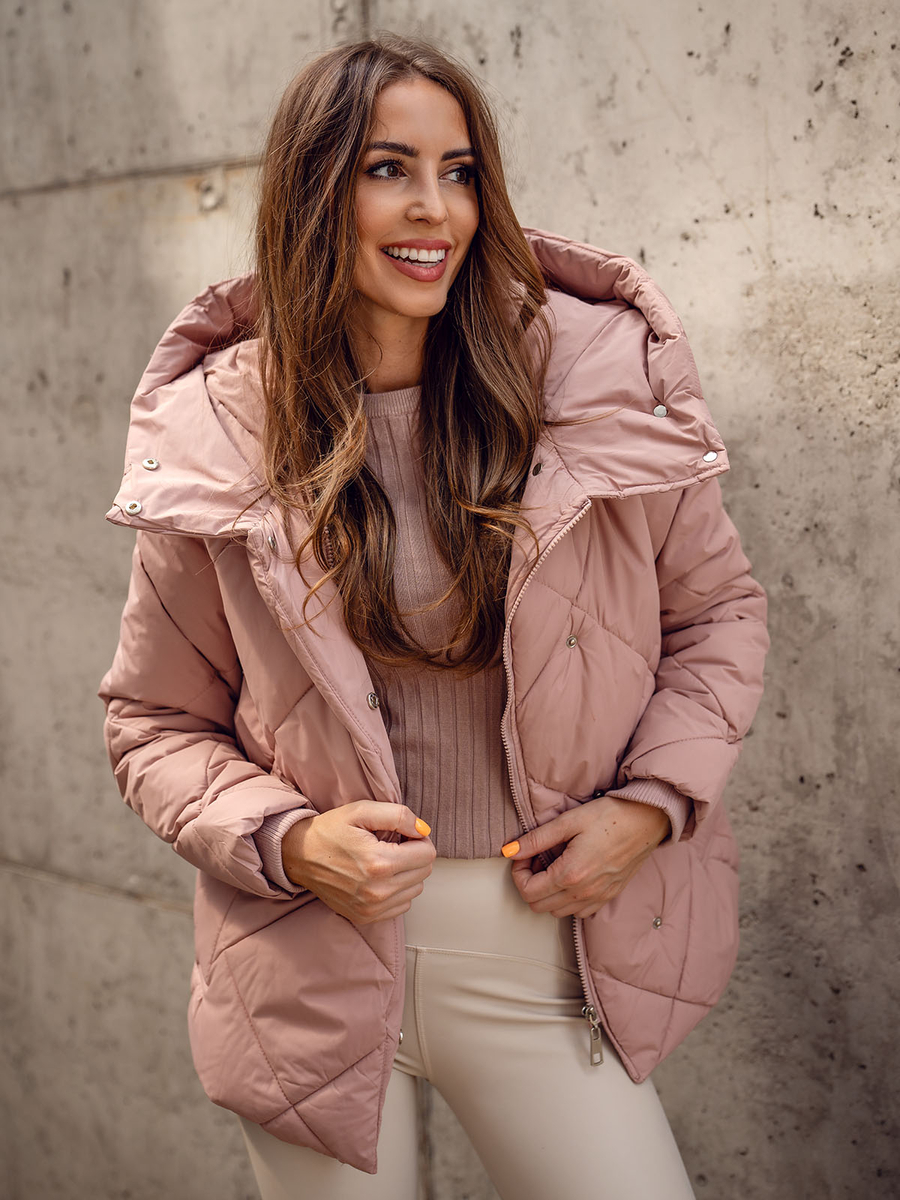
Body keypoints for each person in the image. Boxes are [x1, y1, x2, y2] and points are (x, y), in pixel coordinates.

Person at [100, 33, 768, 1200]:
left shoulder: (596, 374)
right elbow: (151, 723)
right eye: (387, 169)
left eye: (459, 172)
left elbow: (716, 617)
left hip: (538, 951)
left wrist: (650, 807)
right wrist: (291, 841)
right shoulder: (217, 430)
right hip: (302, 961)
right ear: (314, 192)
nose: (435, 209)